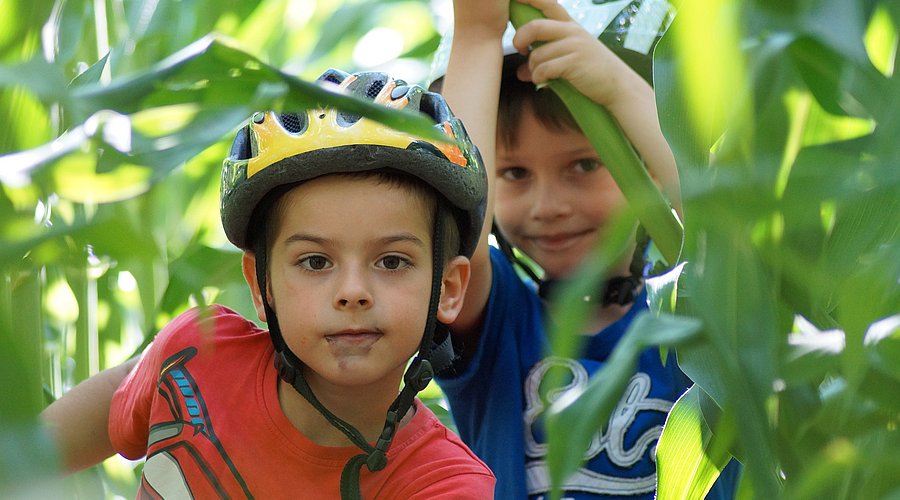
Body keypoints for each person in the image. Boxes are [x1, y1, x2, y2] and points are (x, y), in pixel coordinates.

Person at [40, 68, 495, 499]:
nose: (352, 291)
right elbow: (43, 445)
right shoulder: (193, 362)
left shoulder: (444, 485)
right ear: (261, 286)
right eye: (316, 261)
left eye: (392, 261)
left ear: (449, 288)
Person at [431, 0, 739, 498]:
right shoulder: (498, 325)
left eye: (583, 165)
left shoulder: (700, 305)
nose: (548, 206)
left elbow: (722, 221)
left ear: (650, 163)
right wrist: (478, 37)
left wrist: (621, 89)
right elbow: (451, 240)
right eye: (514, 173)